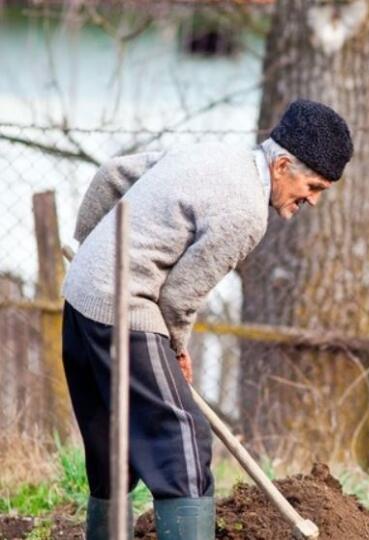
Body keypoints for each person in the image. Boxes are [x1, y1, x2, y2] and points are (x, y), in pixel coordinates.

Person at [61, 99, 353, 540]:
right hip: (124, 309)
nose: (312, 200)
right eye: (313, 186)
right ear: (283, 165)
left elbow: (112, 175)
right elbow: (179, 295)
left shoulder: (213, 154)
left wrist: (90, 250)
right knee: (183, 443)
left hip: (81, 297)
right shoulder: (246, 212)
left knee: (115, 440)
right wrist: (177, 348)